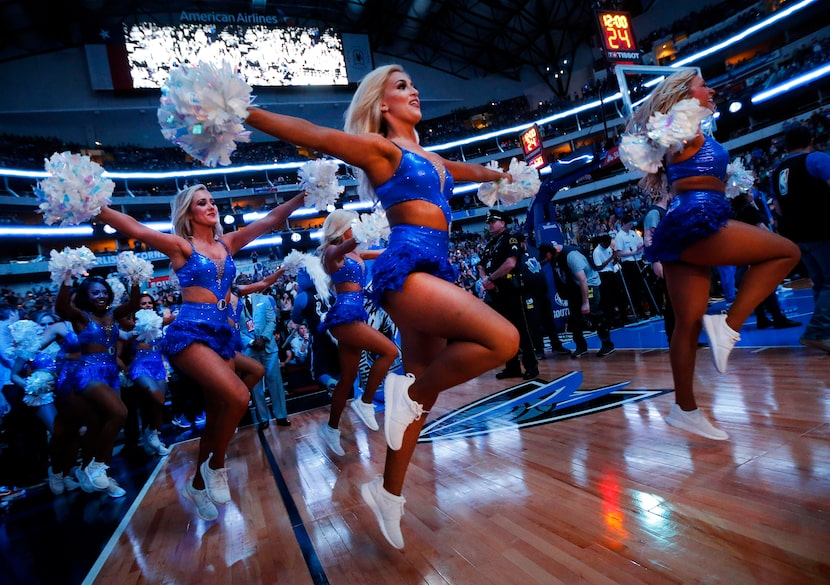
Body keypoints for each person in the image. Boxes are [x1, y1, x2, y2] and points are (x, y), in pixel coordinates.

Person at [243, 63, 519, 548]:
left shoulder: (430, 158)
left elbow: (465, 171)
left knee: (424, 395)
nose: (413, 90)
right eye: (401, 86)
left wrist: (499, 174)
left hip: (436, 269)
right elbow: (313, 133)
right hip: (406, 270)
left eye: (413, 83)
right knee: (503, 339)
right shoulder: (381, 149)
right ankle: (403, 396)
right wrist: (242, 110)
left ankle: (388, 494)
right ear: (382, 104)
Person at [97, 183, 304, 521]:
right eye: (201, 203)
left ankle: (196, 484)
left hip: (222, 333)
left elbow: (270, 220)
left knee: (220, 414)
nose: (211, 206)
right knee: (239, 397)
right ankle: (216, 468)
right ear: (188, 212)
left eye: (212, 201)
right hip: (190, 331)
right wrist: (96, 207)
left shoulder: (228, 242)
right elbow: (135, 227)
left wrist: (303, 197)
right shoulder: (181, 246)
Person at [626, 70, 800, 440]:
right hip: (699, 218)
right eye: (703, 84)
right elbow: (675, 143)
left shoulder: (688, 128)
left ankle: (684, 409)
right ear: (684, 94)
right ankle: (729, 325)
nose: (712, 89)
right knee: (785, 252)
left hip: (682, 223)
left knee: (687, 324)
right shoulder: (680, 126)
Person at [316, 209, 399, 456]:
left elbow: (385, 252)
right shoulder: (332, 251)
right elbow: (346, 247)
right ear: (342, 227)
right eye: (353, 223)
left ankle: (331, 429)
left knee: (346, 378)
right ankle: (365, 402)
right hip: (345, 316)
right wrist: (367, 230)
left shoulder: (355, 252)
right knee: (390, 351)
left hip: (354, 314)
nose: (356, 225)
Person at [56, 276, 140, 498]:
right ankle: (97, 465)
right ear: (87, 296)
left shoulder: (113, 315)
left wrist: (135, 278)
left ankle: (98, 472)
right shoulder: (81, 317)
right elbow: (62, 307)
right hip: (88, 373)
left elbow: (133, 305)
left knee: (103, 427)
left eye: (104, 292)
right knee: (120, 413)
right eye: (95, 292)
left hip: (111, 374)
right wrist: (65, 279)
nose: (101, 296)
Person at [770, 125, 830, 352]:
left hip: (796, 236)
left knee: (821, 283)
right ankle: (817, 330)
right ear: (811, 140)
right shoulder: (817, 159)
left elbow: (778, 209)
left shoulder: (777, 172)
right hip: (822, 229)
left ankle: (824, 332)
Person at [478, 209, 539, 379]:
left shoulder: (511, 238)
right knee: (504, 332)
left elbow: (510, 263)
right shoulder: (490, 245)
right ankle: (512, 367)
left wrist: (491, 278)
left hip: (511, 290)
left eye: (493, 222)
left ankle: (531, 366)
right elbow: (481, 265)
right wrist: (485, 279)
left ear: (502, 223)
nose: (490, 225)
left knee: (521, 329)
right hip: (495, 292)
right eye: (489, 223)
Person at [731, 190, 801, 330]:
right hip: (757, 250)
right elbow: (762, 229)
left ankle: (762, 318)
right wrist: (778, 242)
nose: (752, 193)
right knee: (766, 284)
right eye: (748, 191)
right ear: (744, 195)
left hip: (742, 251)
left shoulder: (733, 211)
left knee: (753, 285)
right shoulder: (748, 209)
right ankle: (778, 318)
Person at [538, 242, 615, 358]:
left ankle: (607, 344)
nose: (546, 259)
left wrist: (585, 303)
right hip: (574, 287)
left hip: (589, 285)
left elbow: (583, 280)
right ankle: (581, 347)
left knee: (595, 314)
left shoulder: (571, 256)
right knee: (574, 318)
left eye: (546, 256)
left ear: (552, 252)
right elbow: (546, 262)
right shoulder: (554, 256)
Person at [237, 268, 292, 429]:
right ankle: (262, 419)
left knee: (275, 382)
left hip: (268, 347)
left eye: (247, 281)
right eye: (241, 282)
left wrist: (263, 338)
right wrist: (250, 342)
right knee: (256, 387)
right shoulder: (234, 304)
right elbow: (236, 329)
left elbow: (271, 321)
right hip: (249, 350)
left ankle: (281, 415)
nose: (245, 284)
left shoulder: (264, 299)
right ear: (236, 286)